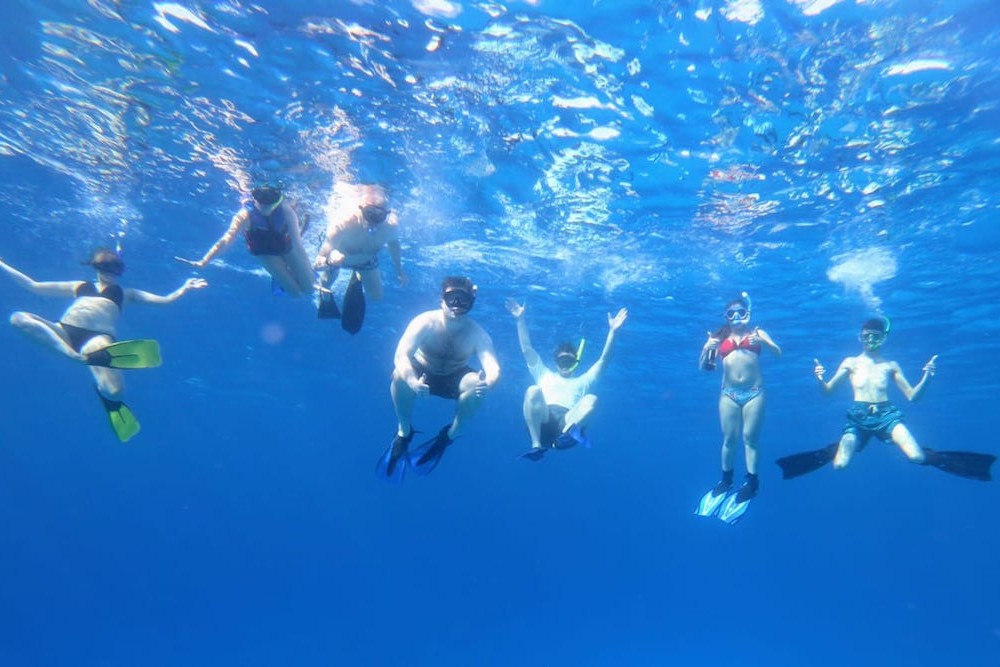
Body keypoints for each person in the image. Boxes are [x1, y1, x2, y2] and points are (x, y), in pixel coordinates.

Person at [1, 249, 207, 442]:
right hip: (62, 332)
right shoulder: (78, 286)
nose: (111, 273)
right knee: (18, 318)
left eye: (116, 268)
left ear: (121, 270)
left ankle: (108, 400)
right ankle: (73, 356)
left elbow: (165, 300)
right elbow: (33, 285)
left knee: (115, 391)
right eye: (104, 267)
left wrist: (184, 289)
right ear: (95, 267)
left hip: (97, 339)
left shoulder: (127, 293)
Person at [776, 316, 995, 481]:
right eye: (866, 336)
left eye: (876, 336)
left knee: (917, 458)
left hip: (887, 416)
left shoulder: (891, 366)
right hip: (858, 417)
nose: (871, 339)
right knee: (840, 465)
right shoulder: (850, 362)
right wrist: (820, 379)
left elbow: (912, 397)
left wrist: (927, 377)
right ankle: (840, 447)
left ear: (884, 338)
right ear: (860, 337)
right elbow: (828, 392)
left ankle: (942, 458)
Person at [376, 276, 500, 481]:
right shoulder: (424, 322)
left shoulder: (477, 334)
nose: (457, 305)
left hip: (454, 378)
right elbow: (401, 355)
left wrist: (489, 383)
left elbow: (493, 367)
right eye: (452, 298)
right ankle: (403, 431)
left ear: (471, 303)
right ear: (442, 299)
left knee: (477, 384)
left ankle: (449, 435)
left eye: (463, 300)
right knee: (399, 374)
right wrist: (412, 381)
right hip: (421, 375)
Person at [695, 291, 781, 524]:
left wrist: (763, 341)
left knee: (750, 439)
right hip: (728, 395)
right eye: (731, 314)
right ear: (726, 316)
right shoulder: (718, 337)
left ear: (748, 314)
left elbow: (777, 352)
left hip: (754, 393)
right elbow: (703, 367)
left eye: (740, 312)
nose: (736, 316)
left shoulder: (757, 332)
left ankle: (752, 482)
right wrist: (705, 349)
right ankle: (726, 480)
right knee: (729, 440)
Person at [505, 298, 627, 461]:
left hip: (567, 424)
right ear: (556, 362)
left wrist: (613, 332)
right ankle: (536, 446)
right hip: (542, 422)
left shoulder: (584, 381)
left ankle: (566, 436)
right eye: (562, 361)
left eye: (569, 362)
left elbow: (604, 360)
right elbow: (527, 349)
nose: (565, 365)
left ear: (576, 363)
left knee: (592, 398)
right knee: (532, 390)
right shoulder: (543, 374)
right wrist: (520, 319)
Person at [175, 183, 314, 297]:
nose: (265, 207)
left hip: (286, 245)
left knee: (310, 289)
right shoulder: (245, 216)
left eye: (269, 202)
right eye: (261, 201)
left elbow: (297, 243)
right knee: (296, 294)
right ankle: (281, 277)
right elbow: (226, 240)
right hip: (266, 254)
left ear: (278, 201)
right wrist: (204, 261)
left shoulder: (286, 210)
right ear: (254, 199)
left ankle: (287, 273)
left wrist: (305, 266)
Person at [313, 184, 406, 332]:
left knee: (376, 296)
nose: (372, 222)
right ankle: (324, 295)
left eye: (379, 217)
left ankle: (356, 278)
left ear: (387, 214)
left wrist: (399, 270)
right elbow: (317, 264)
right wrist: (329, 260)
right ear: (360, 208)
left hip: (366, 259)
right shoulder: (341, 224)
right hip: (337, 259)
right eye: (369, 213)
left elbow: (394, 246)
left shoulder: (391, 226)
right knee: (325, 286)